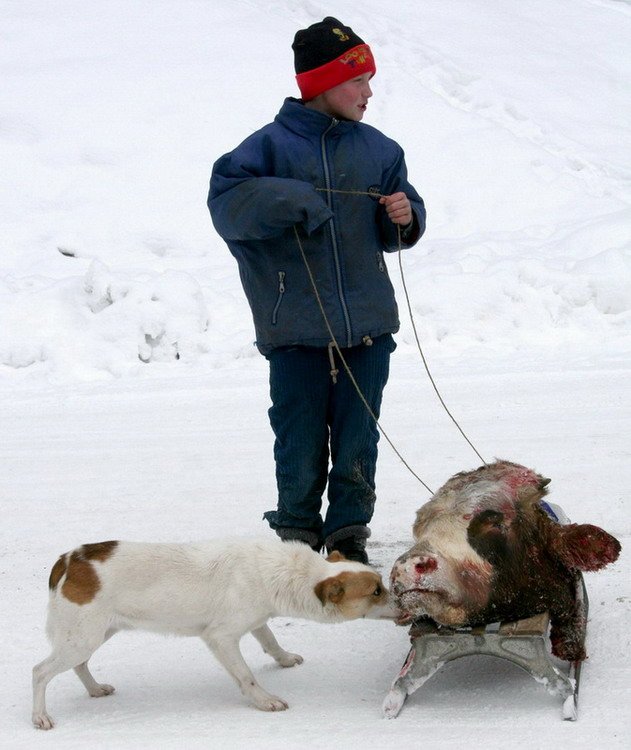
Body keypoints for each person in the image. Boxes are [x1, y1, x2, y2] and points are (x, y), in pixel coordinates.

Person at [208, 17, 426, 563]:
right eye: (358, 81)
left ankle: (349, 532)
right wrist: (290, 197)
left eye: (369, 80)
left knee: (359, 440)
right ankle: (298, 536)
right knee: (299, 440)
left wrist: (405, 215)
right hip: (296, 330)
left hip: (367, 328)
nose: (368, 92)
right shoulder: (264, 150)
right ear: (323, 84)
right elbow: (228, 207)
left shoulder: (380, 150)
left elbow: (399, 221)